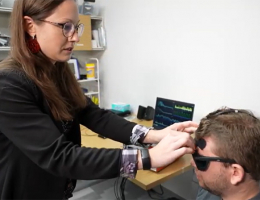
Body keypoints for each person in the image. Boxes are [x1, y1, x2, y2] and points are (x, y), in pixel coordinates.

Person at [0, 0, 198, 199]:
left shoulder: (56, 70)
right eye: (65, 26)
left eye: (76, 27)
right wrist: (146, 158)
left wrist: (153, 135)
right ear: (30, 25)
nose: (76, 37)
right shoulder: (8, 84)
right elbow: (60, 156)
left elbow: (94, 115)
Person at [191, 107, 260, 200]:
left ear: (235, 173)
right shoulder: (215, 186)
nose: (192, 163)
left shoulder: (214, 183)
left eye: (200, 161)